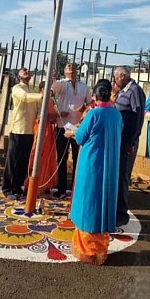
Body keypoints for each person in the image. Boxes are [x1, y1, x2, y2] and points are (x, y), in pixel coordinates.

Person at [67, 79, 123, 265]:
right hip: (110, 163)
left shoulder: (94, 114)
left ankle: (88, 251)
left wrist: (71, 132)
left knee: (88, 200)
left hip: (91, 163)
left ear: (96, 95)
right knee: (103, 200)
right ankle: (100, 249)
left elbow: (81, 136)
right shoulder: (116, 114)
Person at [51, 63, 92, 199]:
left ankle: (76, 188)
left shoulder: (83, 86)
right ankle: (61, 188)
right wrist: (53, 77)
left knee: (77, 158)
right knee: (61, 159)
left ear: (77, 71)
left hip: (78, 128)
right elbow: (53, 87)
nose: (70, 67)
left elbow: (90, 104)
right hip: (62, 126)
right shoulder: (62, 84)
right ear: (64, 71)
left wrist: (83, 109)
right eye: (67, 66)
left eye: (73, 66)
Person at [2, 67, 42, 199]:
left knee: (23, 161)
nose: (26, 71)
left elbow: (36, 107)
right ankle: (7, 188)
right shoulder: (17, 88)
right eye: (23, 71)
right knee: (13, 160)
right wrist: (42, 94)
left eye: (27, 71)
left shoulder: (31, 90)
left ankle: (17, 187)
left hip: (29, 131)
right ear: (19, 75)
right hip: (18, 129)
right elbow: (25, 98)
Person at [114, 66, 146, 226]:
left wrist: (131, 141)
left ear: (121, 76)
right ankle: (116, 210)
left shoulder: (134, 91)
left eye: (115, 77)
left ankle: (121, 214)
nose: (114, 80)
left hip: (127, 142)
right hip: (120, 141)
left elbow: (139, 117)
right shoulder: (123, 91)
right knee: (118, 175)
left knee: (123, 177)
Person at [26, 81, 58, 195]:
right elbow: (41, 116)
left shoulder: (51, 101)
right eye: (47, 89)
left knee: (48, 157)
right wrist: (57, 115)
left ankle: (45, 184)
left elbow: (53, 116)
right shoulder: (39, 100)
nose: (50, 91)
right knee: (38, 155)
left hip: (49, 130)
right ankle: (33, 185)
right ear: (41, 90)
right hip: (40, 129)